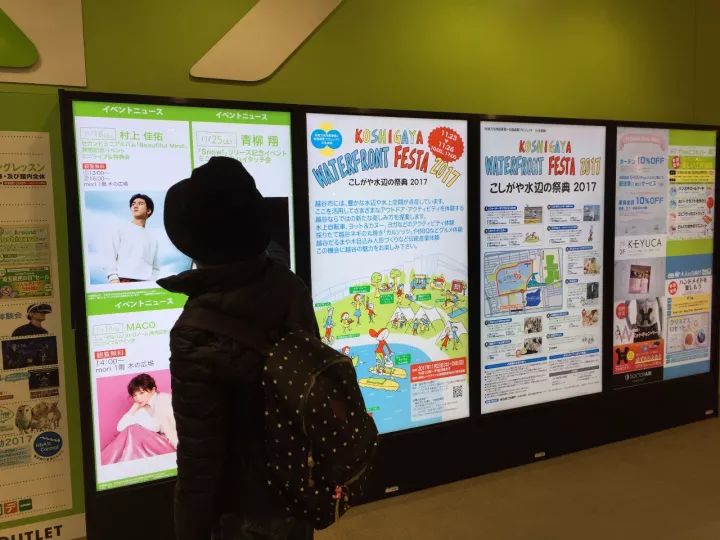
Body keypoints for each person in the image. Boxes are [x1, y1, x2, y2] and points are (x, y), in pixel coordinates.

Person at [157, 156, 318, 540]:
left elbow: (199, 462)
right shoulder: (290, 287)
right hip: (294, 491)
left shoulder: (194, 330)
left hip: (240, 514)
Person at [100, 373, 177, 465]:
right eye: (134, 395)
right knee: (131, 430)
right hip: (159, 445)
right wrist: (133, 408)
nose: (138, 398)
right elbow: (120, 427)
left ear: (153, 390)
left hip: (174, 445)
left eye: (141, 393)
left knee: (133, 431)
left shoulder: (164, 400)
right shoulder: (143, 407)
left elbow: (159, 427)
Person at [105, 193, 160, 283]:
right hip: (123, 280)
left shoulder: (153, 238)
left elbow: (156, 267)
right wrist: (113, 278)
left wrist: (151, 282)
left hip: (145, 283)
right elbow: (109, 254)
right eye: (133, 204)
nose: (135, 206)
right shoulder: (120, 229)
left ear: (148, 211)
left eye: (140, 203)